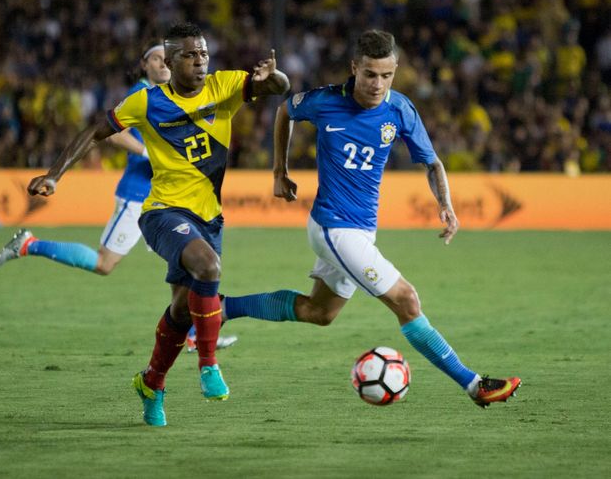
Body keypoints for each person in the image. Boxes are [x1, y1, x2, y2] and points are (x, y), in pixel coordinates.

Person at [220, 30, 521, 408]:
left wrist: (445, 203)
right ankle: (475, 385)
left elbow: (432, 163)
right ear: (355, 68)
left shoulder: (399, 109)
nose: (378, 84)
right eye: (370, 75)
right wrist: (278, 170)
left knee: (320, 312)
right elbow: (285, 111)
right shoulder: (325, 101)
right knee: (407, 301)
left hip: (361, 230)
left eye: (386, 76)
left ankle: (221, 308)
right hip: (333, 227)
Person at [26, 22, 291, 426]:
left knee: (183, 310)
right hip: (162, 211)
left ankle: (152, 383)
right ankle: (208, 365)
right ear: (168, 62)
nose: (200, 62)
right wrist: (54, 175)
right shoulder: (147, 102)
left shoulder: (224, 86)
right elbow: (94, 132)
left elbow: (278, 89)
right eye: (189, 55)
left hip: (209, 217)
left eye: (203, 54)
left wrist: (273, 77)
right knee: (209, 268)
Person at [0, 42, 237, 351]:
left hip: (172, 200)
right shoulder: (141, 94)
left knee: (186, 266)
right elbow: (111, 131)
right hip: (139, 195)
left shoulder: (177, 95)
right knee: (105, 263)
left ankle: (191, 335)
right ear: (144, 65)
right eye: (156, 59)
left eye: (167, 59)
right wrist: (148, 151)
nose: (163, 64)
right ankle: (28, 244)